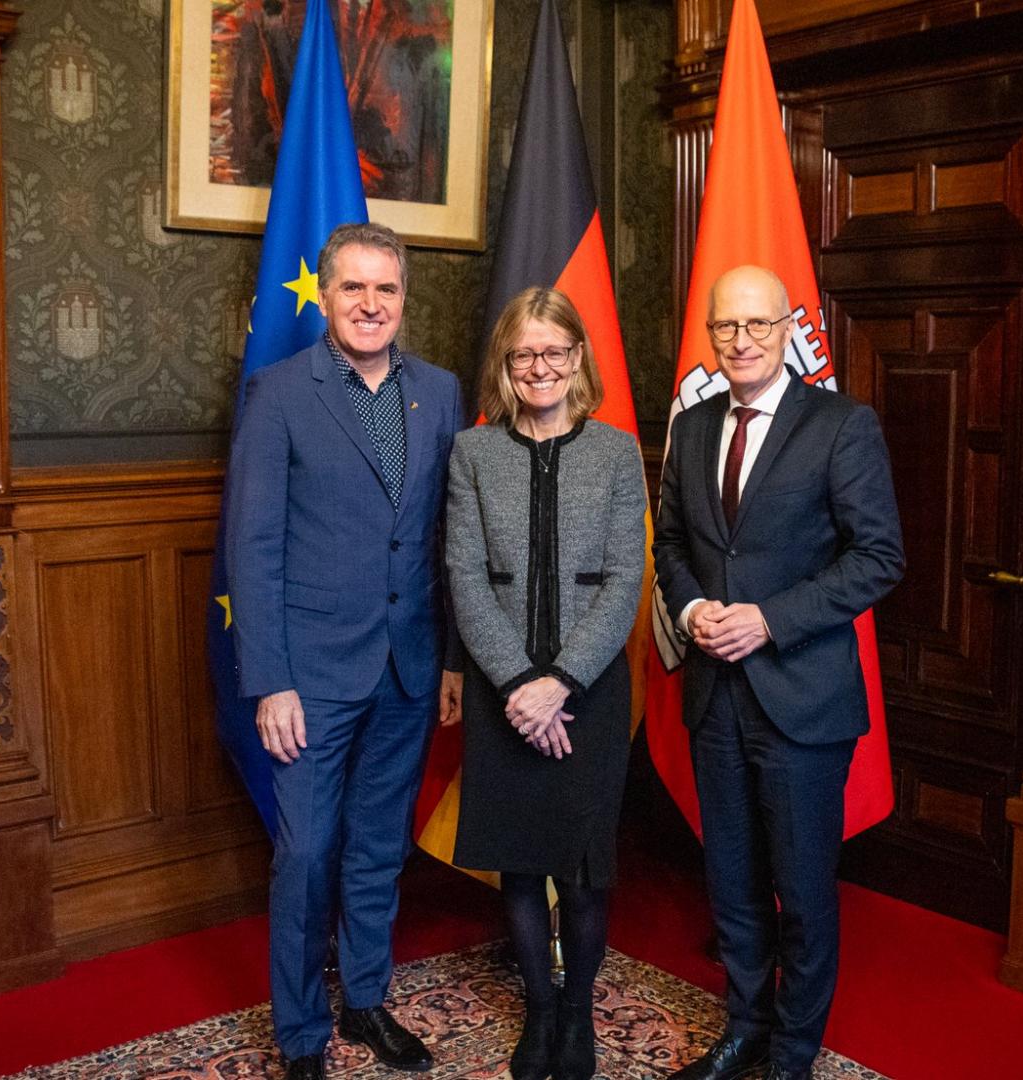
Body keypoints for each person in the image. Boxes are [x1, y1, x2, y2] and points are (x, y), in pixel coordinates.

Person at [224, 221, 467, 1080]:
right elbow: (252, 545)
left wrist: (447, 661)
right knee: (305, 851)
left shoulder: (438, 392)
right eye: (354, 288)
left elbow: (445, 539)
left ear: (405, 298)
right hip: (311, 676)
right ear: (326, 297)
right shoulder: (280, 393)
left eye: (387, 289)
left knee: (376, 846)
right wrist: (271, 682)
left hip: (407, 664)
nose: (371, 304)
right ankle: (298, 1036)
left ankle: (365, 1000)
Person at [652, 266, 904, 1080]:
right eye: (726, 328)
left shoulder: (840, 425)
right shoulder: (691, 430)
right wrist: (691, 614)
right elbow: (673, 545)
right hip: (714, 697)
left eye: (759, 326)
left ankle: (791, 1056)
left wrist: (770, 619)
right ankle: (745, 1030)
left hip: (802, 698)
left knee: (801, 892)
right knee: (730, 883)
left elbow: (879, 557)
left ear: (791, 329)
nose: (741, 342)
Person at [443, 287, 647, 1080]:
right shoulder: (473, 453)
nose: (540, 367)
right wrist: (520, 684)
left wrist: (560, 681)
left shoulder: (618, 451)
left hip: (588, 693)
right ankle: (537, 1006)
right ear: (505, 362)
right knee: (522, 863)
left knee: (584, 866)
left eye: (555, 351)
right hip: (503, 695)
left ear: (577, 359)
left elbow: (626, 578)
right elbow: (464, 575)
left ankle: (577, 1009)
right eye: (525, 353)